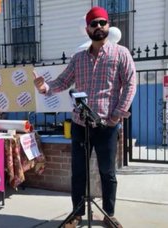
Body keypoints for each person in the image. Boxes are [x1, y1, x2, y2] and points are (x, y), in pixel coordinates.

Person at [34, 6, 136, 228]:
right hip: (81, 124)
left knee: (107, 173)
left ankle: (109, 213)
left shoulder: (121, 54)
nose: (98, 26)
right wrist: (44, 88)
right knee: (78, 172)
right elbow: (62, 82)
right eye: (94, 23)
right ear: (88, 29)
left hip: (107, 125)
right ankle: (77, 214)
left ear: (108, 25)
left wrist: (118, 115)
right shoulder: (78, 58)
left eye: (102, 22)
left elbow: (130, 84)